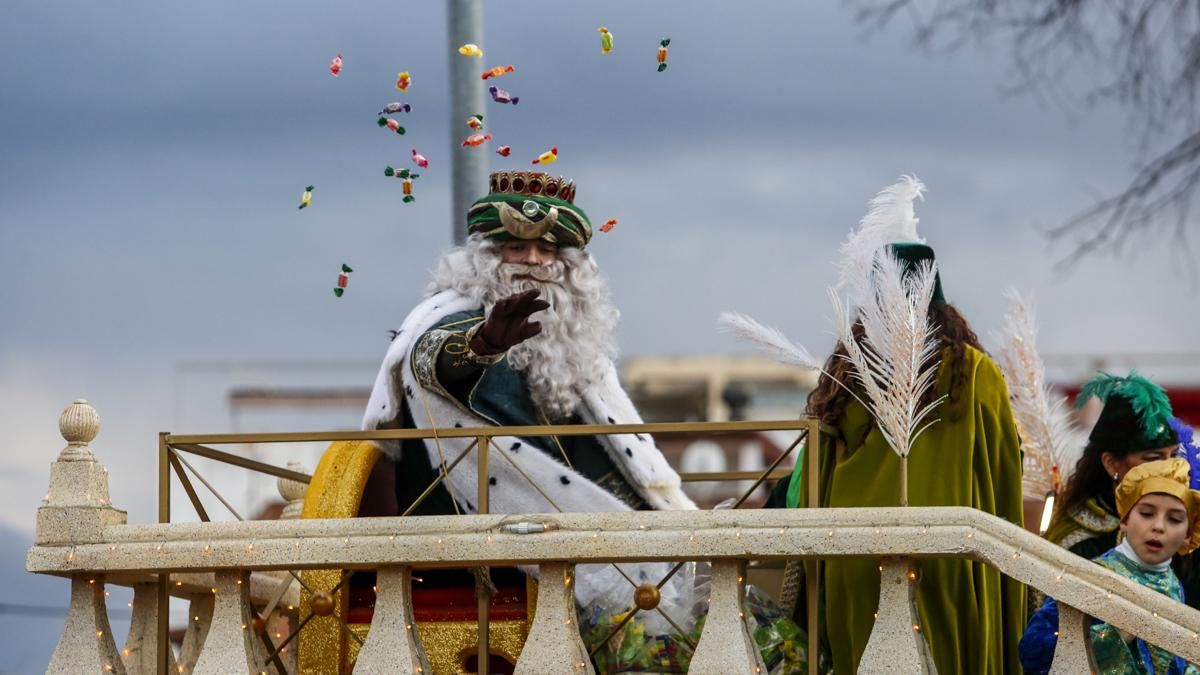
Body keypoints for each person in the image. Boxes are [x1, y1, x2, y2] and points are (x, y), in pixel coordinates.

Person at [362, 169, 696, 620]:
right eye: (516, 248)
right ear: (486, 257)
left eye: (546, 250)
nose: (532, 261)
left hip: (582, 522)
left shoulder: (577, 341)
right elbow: (432, 360)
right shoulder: (450, 318)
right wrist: (483, 344)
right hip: (475, 534)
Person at [767, 177, 1026, 674]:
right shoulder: (976, 373)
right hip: (951, 564)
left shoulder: (848, 373)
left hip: (855, 561)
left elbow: (815, 476)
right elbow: (1003, 475)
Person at [1020, 458, 1200, 674]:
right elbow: (1035, 650)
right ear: (1124, 519)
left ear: (1188, 534)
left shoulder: (1173, 585)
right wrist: (1114, 636)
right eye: (1146, 514)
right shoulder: (1093, 577)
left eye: (1174, 519)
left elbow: (1172, 664)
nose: (1158, 526)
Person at [1046, 372, 1181, 560]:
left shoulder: (1187, 527)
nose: (1169, 469)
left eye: (1174, 456)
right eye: (1153, 458)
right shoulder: (1079, 547)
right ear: (1111, 464)